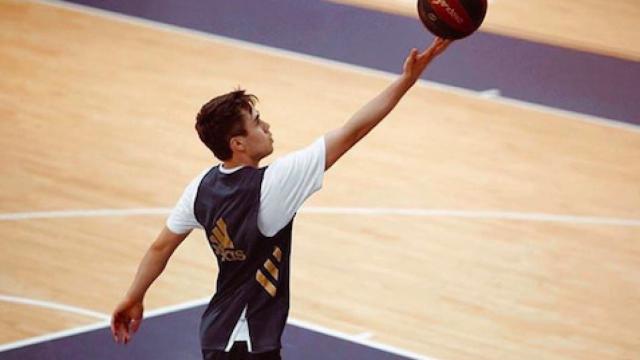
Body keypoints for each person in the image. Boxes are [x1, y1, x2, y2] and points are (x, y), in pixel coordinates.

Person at [111, 37, 452, 359]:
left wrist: (134, 297)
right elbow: (353, 131)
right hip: (249, 340)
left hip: (217, 335)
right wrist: (407, 80)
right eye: (258, 123)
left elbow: (161, 247)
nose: (267, 126)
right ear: (238, 144)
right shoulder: (273, 185)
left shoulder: (201, 186)